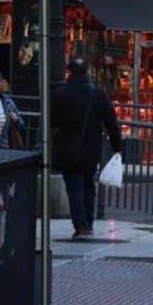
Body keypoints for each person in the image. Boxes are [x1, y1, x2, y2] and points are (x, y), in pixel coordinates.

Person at [53, 58, 123, 239]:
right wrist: (117, 146)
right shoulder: (97, 94)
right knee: (88, 183)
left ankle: (80, 225)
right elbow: (111, 122)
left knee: (74, 186)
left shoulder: (60, 93)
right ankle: (88, 222)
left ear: (69, 72)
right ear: (87, 72)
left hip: (68, 147)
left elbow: (52, 121)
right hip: (91, 147)